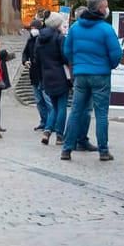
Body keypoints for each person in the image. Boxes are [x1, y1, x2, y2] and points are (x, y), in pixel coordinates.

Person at [61, 0, 123, 161]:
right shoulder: (105, 29)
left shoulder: (75, 28)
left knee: (76, 110)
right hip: (100, 75)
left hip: (81, 74)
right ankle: (103, 150)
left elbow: (67, 51)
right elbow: (116, 53)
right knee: (101, 114)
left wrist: (77, 63)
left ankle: (67, 149)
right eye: (105, 6)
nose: (107, 8)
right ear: (99, 9)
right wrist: (108, 65)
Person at [35, 12, 72, 146]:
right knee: (61, 107)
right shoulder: (59, 38)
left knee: (54, 107)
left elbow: (36, 59)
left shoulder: (40, 38)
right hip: (60, 74)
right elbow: (65, 57)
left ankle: (47, 130)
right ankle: (59, 136)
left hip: (47, 75)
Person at [23, 18, 49, 131]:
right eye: (32, 28)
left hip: (44, 73)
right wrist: (25, 61)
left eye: (35, 28)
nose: (33, 30)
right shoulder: (30, 40)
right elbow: (25, 53)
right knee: (38, 100)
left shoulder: (45, 39)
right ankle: (43, 121)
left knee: (47, 99)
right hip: (34, 73)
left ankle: (51, 122)